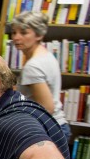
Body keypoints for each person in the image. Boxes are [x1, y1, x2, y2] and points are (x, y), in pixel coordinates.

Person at [11, 11, 71, 139]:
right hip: (58, 126)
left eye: (23, 33)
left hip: (48, 130)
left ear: (38, 35)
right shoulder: (46, 55)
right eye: (14, 32)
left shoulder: (32, 66)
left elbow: (47, 108)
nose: (16, 37)